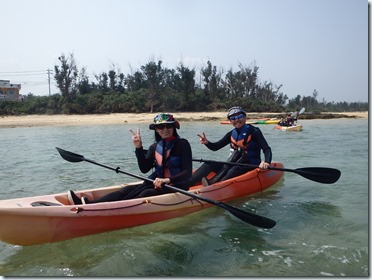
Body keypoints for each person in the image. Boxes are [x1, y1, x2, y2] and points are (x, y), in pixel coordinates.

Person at [67, 113, 193, 205]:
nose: (165, 130)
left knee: (145, 194)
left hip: (177, 186)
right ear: (156, 130)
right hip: (156, 183)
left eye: (168, 126)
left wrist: (167, 179)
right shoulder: (155, 147)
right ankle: (90, 204)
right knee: (127, 190)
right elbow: (144, 169)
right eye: (161, 127)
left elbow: (187, 172)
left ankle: (105, 209)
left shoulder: (183, 144)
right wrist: (138, 148)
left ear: (173, 127)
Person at [188, 106, 272, 187]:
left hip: (250, 166)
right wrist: (207, 143)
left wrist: (267, 162)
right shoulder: (231, 134)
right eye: (233, 118)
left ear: (245, 117)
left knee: (234, 168)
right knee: (209, 164)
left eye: (239, 116)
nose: (236, 120)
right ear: (230, 121)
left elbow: (266, 149)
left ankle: (215, 187)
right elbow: (216, 147)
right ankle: (187, 184)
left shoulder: (254, 132)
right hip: (233, 163)